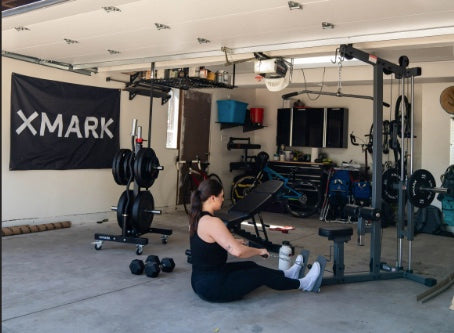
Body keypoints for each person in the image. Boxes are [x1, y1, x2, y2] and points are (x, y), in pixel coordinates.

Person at [189, 178, 323, 302]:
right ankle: (304, 284)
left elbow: (208, 245)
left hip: (201, 281)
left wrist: (233, 242)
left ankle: (287, 274)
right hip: (213, 287)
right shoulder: (213, 222)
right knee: (260, 274)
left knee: (251, 266)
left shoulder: (197, 218)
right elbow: (238, 252)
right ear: (212, 198)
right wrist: (258, 251)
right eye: (221, 196)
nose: (223, 199)